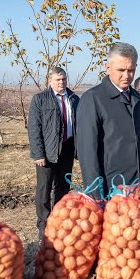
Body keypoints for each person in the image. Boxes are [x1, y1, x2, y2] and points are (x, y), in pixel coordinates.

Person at [76, 42, 140, 197]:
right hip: (111, 189)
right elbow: (88, 154)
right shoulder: (93, 99)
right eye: (121, 70)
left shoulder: (136, 98)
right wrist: (96, 195)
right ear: (107, 67)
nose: (127, 75)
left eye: (131, 70)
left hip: (137, 188)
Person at [28, 67, 80, 240]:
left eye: (64, 79)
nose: (61, 82)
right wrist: (38, 153)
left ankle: (58, 220)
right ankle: (43, 224)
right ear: (50, 81)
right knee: (44, 188)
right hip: (48, 151)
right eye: (58, 80)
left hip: (67, 148)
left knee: (63, 187)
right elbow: (34, 129)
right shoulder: (40, 99)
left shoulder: (74, 99)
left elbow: (79, 126)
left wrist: (78, 151)